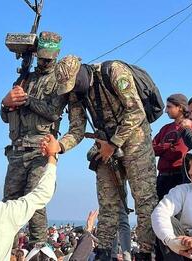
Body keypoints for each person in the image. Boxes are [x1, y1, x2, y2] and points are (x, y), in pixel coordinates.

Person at [53, 55, 158, 260]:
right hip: (105, 144)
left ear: (81, 74)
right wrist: (59, 146)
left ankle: (146, 252)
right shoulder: (76, 92)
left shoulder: (114, 71)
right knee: (108, 204)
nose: (72, 89)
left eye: (74, 84)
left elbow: (136, 112)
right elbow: (76, 129)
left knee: (145, 200)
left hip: (135, 140)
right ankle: (103, 252)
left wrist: (114, 143)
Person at [0, 31, 67, 247]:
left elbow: (54, 112)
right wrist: (6, 102)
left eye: (49, 58)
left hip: (40, 149)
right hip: (17, 150)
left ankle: (38, 249)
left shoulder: (59, 80)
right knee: (10, 202)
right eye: (42, 57)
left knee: (36, 200)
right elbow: (5, 116)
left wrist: (28, 100)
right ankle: (6, 249)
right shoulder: (24, 78)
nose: (45, 62)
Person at [151, 142, 192, 260]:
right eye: (189, 166)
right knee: (167, 222)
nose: (190, 172)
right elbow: (159, 213)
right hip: (187, 248)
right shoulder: (183, 190)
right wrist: (170, 240)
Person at [153, 94, 192, 199]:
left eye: (169, 107)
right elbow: (151, 149)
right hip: (163, 178)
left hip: (181, 177)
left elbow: (180, 151)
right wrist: (166, 146)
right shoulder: (166, 128)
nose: (166, 111)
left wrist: (165, 148)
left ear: (180, 107)